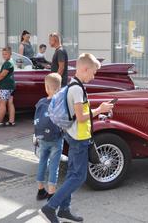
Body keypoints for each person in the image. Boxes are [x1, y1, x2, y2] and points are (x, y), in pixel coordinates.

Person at [39, 53, 114, 223]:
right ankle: (50, 208)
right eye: (93, 72)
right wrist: (99, 110)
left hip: (73, 135)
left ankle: (64, 210)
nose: (93, 76)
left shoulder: (73, 84)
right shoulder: (77, 89)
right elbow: (81, 117)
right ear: (85, 69)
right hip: (78, 138)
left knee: (73, 174)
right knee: (78, 177)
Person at [35, 73, 63, 201]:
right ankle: (51, 193)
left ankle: (40, 190)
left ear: (46, 88)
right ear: (59, 88)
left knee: (42, 162)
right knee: (54, 165)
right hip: (56, 138)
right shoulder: (59, 103)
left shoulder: (41, 102)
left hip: (42, 138)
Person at [0, 47, 16, 126]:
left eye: (6, 54)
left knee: (2, 103)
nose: (4, 56)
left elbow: (3, 74)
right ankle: (11, 121)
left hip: (5, 86)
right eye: (3, 54)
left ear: (10, 54)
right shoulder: (11, 62)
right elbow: (2, 72)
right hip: (11, 86)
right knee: (10, 103)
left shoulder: (7, 63)